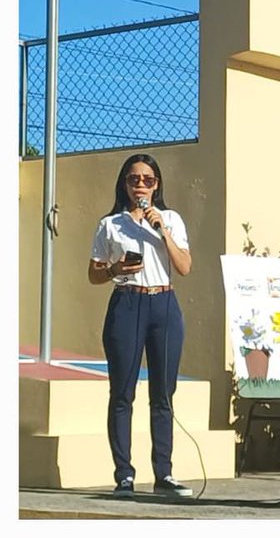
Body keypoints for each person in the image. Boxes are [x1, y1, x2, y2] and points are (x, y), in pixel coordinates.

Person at [89, 152, 193, 498]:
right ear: (125, 184)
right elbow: (93, 274)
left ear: (157, 184)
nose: (141, 185)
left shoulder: (170, 219)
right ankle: (124, 475)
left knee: (163, 394)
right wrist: (115, 269)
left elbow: (184, 267)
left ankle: (164, 474)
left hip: (164, 303)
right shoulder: (110, 224)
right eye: (134, 179)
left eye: (148, 180)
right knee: (122, 392)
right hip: (127, 302)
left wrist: (161, 230)